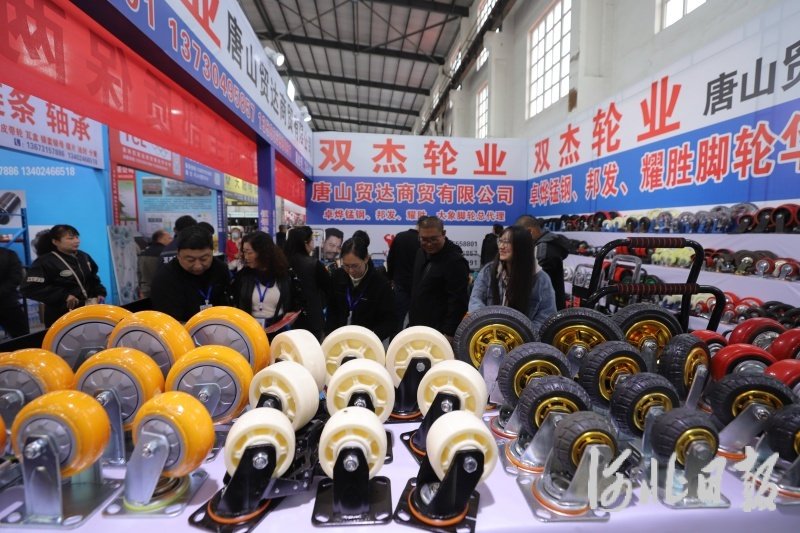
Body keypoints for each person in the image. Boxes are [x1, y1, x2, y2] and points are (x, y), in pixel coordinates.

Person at [469, 225, 557, 333]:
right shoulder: (488, 271)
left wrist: (524, 334)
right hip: (490, 334)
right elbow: (475, 301)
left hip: (524, 339)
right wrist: (488, 326)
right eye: (500, 241)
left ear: (521, 246)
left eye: (507, 242)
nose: (501, 246)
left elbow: (546, 315)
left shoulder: (541, 279)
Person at [20, 224, 107, 327]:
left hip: (88, 310)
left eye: (77, 237)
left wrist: (100, 292)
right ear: (55, 242)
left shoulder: (84, 256)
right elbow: (29, 288)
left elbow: (93, 278)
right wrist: (63, 296)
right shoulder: (45, 262)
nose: (76, 241)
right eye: (70, 238)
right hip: (61, 314)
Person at [150, 225, 231, 322]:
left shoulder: (220, 269)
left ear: (212, 252)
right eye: (190, 260)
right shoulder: (164, 278)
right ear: (178, 255)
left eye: (204, 259)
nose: (198, 266)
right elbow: (168, 321)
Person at [408, 216, 470, 341]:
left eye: (433, 239)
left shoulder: (455, 261)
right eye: (424, 239)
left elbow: (458, 302)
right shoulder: (420, 253)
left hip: (441, 332)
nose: (429, 244)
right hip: (417, 326)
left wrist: (449, 333)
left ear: (443, 234)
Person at [326, 237, 395, 342]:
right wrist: (330, 335)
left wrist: (371, 337)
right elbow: (332, 311)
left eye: (355, 266)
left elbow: (389, 320)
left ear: (366, 258)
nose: (350, 271)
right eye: (346, 265)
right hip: (339, 340)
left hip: (367, 342)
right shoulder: (337, 277)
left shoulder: (380, 283)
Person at [231, 231, 297, 331]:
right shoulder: (242, 277)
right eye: (244, 252)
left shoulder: (284, 275)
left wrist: (292, 314)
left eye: (250, 252)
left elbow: (295, 302)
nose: (246, 257)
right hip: (250, 330)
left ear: (264, 252)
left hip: (278, 330)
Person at [283, 226, 330, 341]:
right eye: (312, 240)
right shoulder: (314, 264)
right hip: (312, 319)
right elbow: (329, 288)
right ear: (306, 243)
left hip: (285, 319)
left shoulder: (281, 263)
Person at [515, 215, 570, 310]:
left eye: (521, 236)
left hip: (546, 308)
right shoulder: (548, 244)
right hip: (552, 304)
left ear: (530, 231)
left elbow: (536, 282)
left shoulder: (542, 250)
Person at [386, 216, 422, 331]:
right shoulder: (424, 241)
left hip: (400, 284)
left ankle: (394, 340)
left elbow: (390, 259)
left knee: (397, 319)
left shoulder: (400, 237)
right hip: (418, 287)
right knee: (417, 320)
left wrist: (390, 278)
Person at [0, 248, 29, 338]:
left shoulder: (9, 255)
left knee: (22, 337)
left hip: (7, 303)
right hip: (8, 300)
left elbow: (16, 277)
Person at [138, 229, 172, 298]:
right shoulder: (165, 253)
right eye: (169, 238)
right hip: (162, 291)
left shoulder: (143, 253)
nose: (172, 240)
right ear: (160, 239)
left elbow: (139, 273)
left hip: (145, 291)